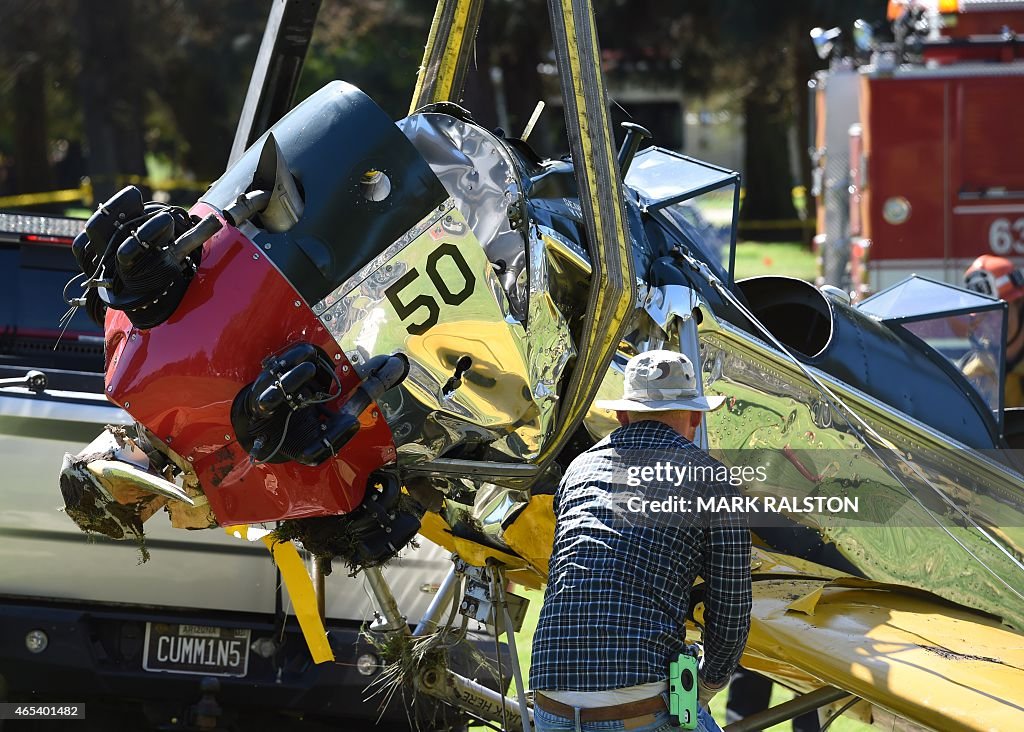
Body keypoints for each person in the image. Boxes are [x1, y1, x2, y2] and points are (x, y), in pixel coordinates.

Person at [530, 350, 752, 732]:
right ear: (696, 417)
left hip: (550, 701)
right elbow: (730, 613)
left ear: (622, 415)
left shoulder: (578, 470)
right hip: (637, 705)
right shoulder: (712, 479)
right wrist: (707, 685)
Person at [963, 254, 1024, 407]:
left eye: (998, 312)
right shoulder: (973, 375)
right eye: (982, 317)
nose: (990, 325)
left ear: (1020, 306)